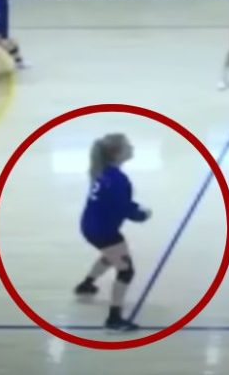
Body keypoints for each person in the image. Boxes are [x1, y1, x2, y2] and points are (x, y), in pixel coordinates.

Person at [74, 133, 151, 333]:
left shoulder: (103, 173)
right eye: (128, 146)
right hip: (104, 231)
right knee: (126, 270)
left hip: (91, 226)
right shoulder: (117, 179)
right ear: (117, 153)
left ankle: (86, 285)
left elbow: (115, 203)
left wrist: (133, 208)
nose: (132, 148)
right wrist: (141, 214)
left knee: (111, 256)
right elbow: (123, 208)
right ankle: (113, 320)